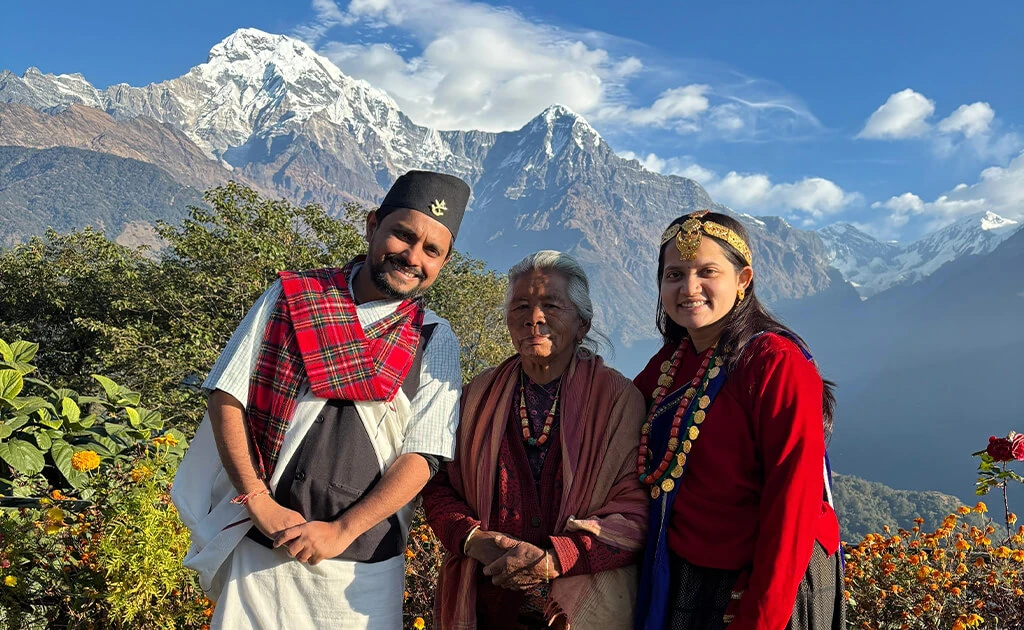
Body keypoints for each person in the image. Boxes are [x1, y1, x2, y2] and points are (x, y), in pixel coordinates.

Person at [170, 170, 470, 629]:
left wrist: (341, 531)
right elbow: (227, 396)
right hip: (262, 548)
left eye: (432, 251)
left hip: (363, 574)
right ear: (373, 227)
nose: (413, 257)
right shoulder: (293, 298)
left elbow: (424, 455)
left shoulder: (434, 338)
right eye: (403, 236)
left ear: (443, 263)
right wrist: (258, 502)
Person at [634, 211, 845, 630]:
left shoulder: (775, 363)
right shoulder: (671, 363)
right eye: (674, 275)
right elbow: (614, 419)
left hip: (767, 579)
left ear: (743, 280)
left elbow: (794, 502)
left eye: (706, 272)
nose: (688, 288)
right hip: (689, 568)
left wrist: (761, 615)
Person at [422, 250, 648, 630]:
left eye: (551, 305)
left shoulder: (618, 401)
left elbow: (636, 509)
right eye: (521, 306)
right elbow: (439, 484)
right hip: (487, 603)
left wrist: (554, 559)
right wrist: (471, 538)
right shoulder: (477, 395)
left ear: (583, 324)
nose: (534, 319)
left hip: (576, 610)